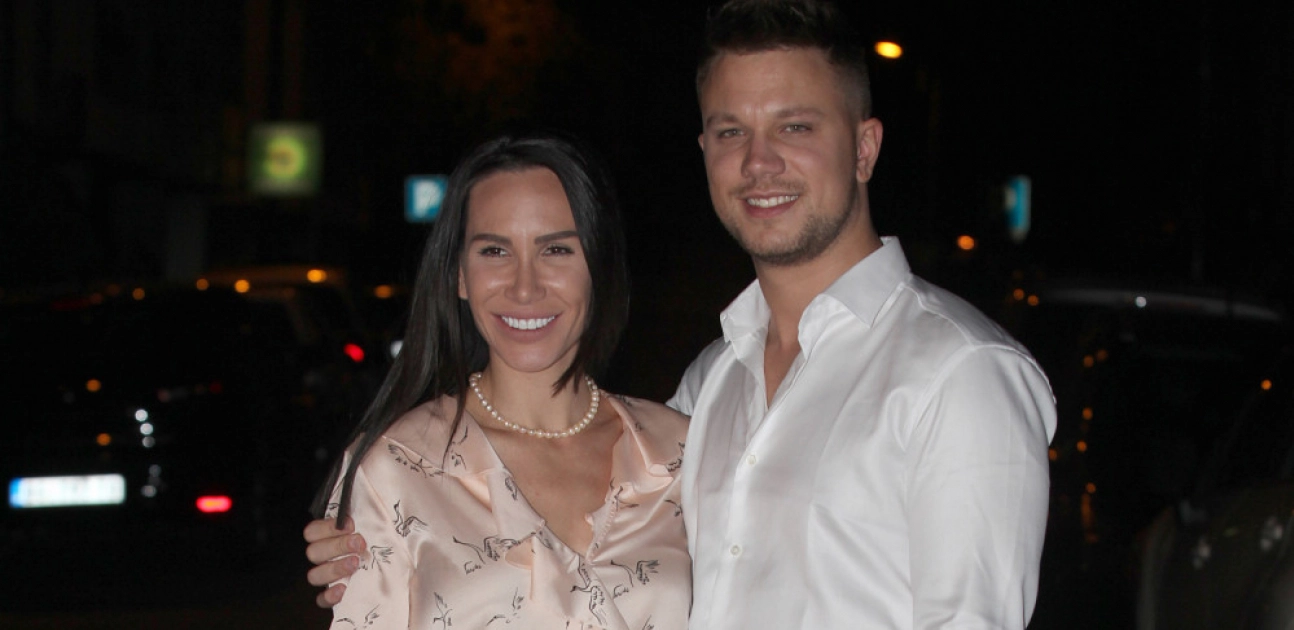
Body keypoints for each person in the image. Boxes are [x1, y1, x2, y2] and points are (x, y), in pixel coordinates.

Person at [307, 1, 1056, 627]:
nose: (759, 162)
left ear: (865, 147)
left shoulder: (960, 374)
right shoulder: (708, 390)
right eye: (731, 132)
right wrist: (363, 540)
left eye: (795, 126)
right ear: (704, 150)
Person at [310, 131, 691, 629]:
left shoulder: (682, 452)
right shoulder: (397, 467)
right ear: (459, 275)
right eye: (494, 251)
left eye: (556, 250)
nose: (524, 286)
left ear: (599, 267)